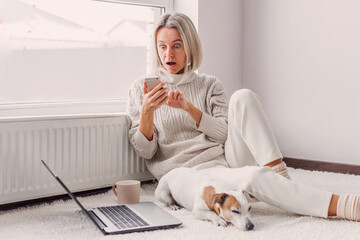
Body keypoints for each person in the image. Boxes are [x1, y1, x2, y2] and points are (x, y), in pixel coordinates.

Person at [127, 12, 359, 222]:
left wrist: (189, 108)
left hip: (223, 161)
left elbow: (224, 134)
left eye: (177, 45)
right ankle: (348, 206)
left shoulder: (209, 84)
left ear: (190, 47)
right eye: (162, 46)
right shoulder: (141, 89)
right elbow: (146, 152)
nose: (169, 54)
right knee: (254, 177)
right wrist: (147, 112)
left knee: (244, 96)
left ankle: (280, 176)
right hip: (186, 174)